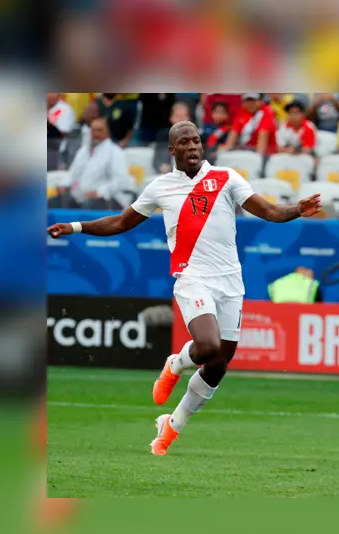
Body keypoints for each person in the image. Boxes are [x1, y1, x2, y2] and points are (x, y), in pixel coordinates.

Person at [46, 121, 322, 456]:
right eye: (185, 143)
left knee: (219, 363)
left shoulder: (227, 178)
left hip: (231, 281)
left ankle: (171, 426)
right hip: (192, 277)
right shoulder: (160, 187)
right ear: (172, 150)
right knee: (206, 346)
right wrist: (76, 226)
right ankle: (175, 364)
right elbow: (120, 222)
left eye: (196, 141)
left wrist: (297, 210)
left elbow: (269, 212)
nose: (192, 147)